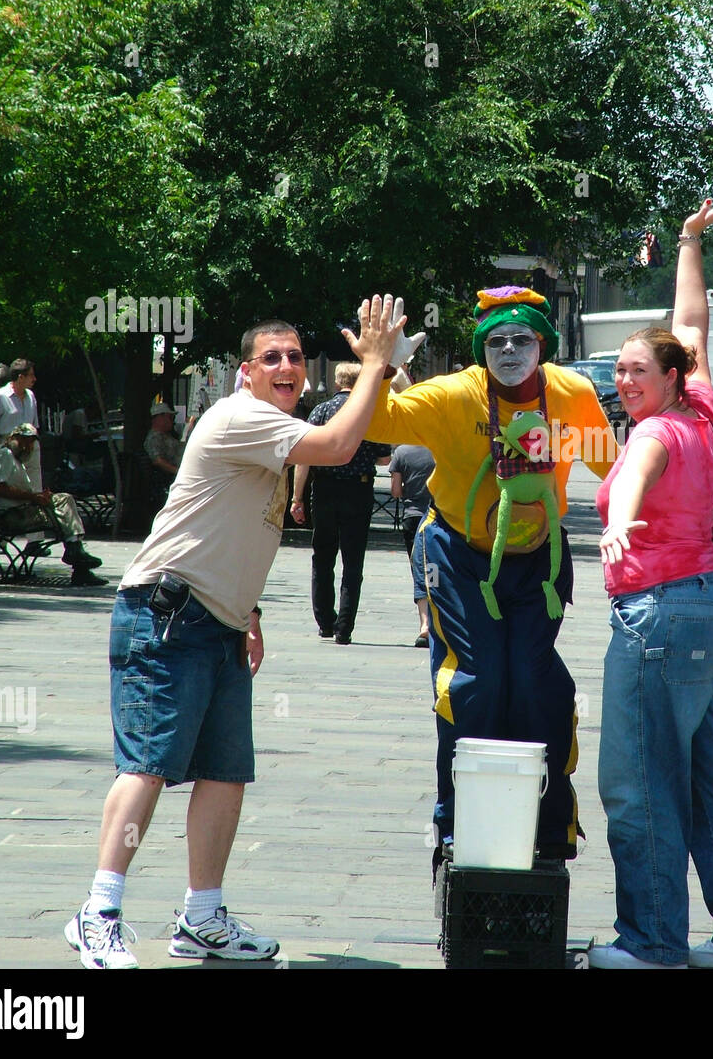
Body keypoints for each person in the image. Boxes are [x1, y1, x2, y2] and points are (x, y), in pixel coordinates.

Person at [64, 295, 404, 970]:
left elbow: (227, 527)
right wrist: (376, 364)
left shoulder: (271, 427)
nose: (286, 366)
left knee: (224, 773)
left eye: (296, 358)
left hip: (215, 623)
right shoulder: (241, 416)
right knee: (149, 766)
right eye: (271, 357)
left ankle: (201, 917)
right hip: (164, 617)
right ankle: (96, 913)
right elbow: (340, 446)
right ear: (246, 372)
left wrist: (248, 613)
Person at [589, 197, 713, 969]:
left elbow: (636, 471)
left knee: (640, 784)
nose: (624, 379)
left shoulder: (656, 431)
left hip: (659, 618)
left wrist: (615, 523)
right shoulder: (699, 407)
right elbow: (691, 321)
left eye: (638, 370)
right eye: (620, 370)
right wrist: (690, 240)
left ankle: (652, 944)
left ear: (669, 379)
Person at [363, 287, 616, 863]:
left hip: (537, 557)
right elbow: (378, 422)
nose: (508, 350)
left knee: (534, 683)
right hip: (456, 551)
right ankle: (458, 828)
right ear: (481, 351)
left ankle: (549, 825)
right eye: (495, 341)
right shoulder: (454, 394)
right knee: (475, 682)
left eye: (521, 339)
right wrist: (382, 365)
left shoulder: (571, 394)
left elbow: (616, 467)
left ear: (542, 345)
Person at [290, 362, 391, 645]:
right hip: (357, 490)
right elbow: (384, 458)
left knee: (322, 556)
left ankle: (324, 621)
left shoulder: (320, 411)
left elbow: (303, 458)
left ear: (336, 383)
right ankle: (344, 628)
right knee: (353, 560)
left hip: (324, 490)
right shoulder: (367, 414)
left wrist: (297, 498)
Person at [0, 423, 105, 587]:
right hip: (11, 516)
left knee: (62, 500)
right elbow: (0, 488)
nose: (27, 446)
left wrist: (39, 497)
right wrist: (33, 497)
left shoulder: (14, 459)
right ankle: (75, 550)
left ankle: (76, 552)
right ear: (12, 438)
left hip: (20, 511)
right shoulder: (4, 455)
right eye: (23, 441)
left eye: (31, 442)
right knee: (63, 502)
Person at [389, 441, 436, 646]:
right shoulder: (439, 449)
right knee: (436, 568)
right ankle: (438, 620)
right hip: (437, 516)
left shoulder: (401, 452)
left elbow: (396, 491)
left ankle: (424, 624)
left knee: (419, 569)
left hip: (413, 517)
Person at [0, 358, 40, 488]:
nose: (34, 379)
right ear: (20, 377)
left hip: (31, 449)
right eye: (31, 375)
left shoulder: (31, 396)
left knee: (34, 490)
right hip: (10, 450)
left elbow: (34, 426)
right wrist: (3, 449)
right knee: (14, 490)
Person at [143, 402, 184, 479]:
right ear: (160, 418)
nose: (173, 421)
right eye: (170, 418)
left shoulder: (165, 435)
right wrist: (180, 472)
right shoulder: (154, 438)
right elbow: (158, 461)